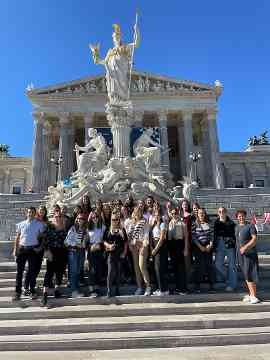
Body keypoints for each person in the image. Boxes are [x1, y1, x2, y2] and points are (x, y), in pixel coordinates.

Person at [90, 22, 140, 104]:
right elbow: (104, 62)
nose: (116, 38)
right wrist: (96, 55)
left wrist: (136, 31)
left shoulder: (125, 47)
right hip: (113, 74)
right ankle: (115, 100)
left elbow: (136, 44)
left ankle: (123, 101)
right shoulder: (110, 51)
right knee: (114, 90)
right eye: (115, 37)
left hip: (122, 72)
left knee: (123, 85)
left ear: (120, 38)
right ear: (113, 39)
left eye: (117, 36)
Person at [12, 207, 46, 301]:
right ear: (26, 213)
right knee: (19, 272)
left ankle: (32, 291)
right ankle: (17, 292)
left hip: (32, 250)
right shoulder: (21, 224)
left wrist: (40, 247)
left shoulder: (39, 225)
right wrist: (15, 250)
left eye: (32, 212)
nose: (30, 213)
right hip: (22, 249)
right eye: (29, 212)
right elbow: (17, 238)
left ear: (35, 214)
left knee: (31, 272)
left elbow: (43, 237)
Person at [41, 211, 68, 306]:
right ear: (53, 217)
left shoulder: (64, 228)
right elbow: (44, 240)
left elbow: (67, 241)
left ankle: (57, 290)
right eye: (56, 216)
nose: (58, 218)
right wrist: (47, 251)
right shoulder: (49, 227)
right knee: (49, 272)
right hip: (52, 251)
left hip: (62, 252)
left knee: (59, 271)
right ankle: (45, 293)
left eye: (60, 216)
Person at [235, 209, 260, 304]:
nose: (241, 218)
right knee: (246, 274)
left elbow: (254, 239)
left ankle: (254, 296)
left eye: (242, 216)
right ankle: (250, 294)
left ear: (245, 216)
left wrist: (245, 247)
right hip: (241, 255)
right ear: (237, 217)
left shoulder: (250, 226)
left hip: (250, 254)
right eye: (239, 216)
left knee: (250, 273)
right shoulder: (237, 227)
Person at [24, 205, 48, 296]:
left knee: (37, 268)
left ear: (45, 212)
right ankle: (27, 287)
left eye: (43, 210)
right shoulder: (35, 220)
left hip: (41, 247)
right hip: (33, 246)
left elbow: (45, 236)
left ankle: (31, 286)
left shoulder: (46, 222)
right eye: (40, 210)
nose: (42, 212)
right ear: (38, 211)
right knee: (31, 268)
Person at [126, 207, 151, 296]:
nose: (137, 213)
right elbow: (128, 235)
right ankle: (140, 287)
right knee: (136, 267)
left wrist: (143, 245)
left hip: (142, 246)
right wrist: (130, 245)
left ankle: (148, 287)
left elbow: (146, 234)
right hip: (133, 247)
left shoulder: (145, 221)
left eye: (139, 212)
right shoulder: (130, 222)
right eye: (136, 212)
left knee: (142, 266)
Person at [65, 215, 89, 297]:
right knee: (73, 271)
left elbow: (85, 242)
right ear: (76, 219)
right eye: (78, 218)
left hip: (81, 251)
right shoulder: (72, 228)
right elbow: (67, 241)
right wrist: (76, 244)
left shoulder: (85, 230)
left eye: (82, 218)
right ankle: (74, 291)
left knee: (78, 270)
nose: (80, 220)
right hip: (73, 251)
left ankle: (76, 289)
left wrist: (83, 243)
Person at [103, 215, 128, 297]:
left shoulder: (122, 229)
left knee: (118, 272)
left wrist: (124, 252)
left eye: (116, 219)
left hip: (119, 253)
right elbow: (104, 241)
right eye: (113, 219)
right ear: (111, 220)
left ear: (118, 220)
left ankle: (117, 289)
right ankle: (109, 290)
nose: (115, 221)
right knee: (110, 272)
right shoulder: (108, 229)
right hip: (111, 253)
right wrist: (109, 246)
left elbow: (125, 242)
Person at [214, 207, 237, 291]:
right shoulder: (216, 223)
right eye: (220, 211)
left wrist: (232, 242)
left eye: (223, 211)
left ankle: (232, 284)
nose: (221, 213)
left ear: (226, 212)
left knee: (232, 265)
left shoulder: (231, 223)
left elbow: (235, 234)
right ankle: (226, 277)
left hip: (229, 245)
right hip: (219, 244)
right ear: (218, 213)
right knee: (217, 264)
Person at [192, 208, 215, 293]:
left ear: (205, 214)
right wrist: (200, 246)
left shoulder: (209, 224)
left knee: (209, 265)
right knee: (199, 266)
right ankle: (197, 285)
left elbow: (212, 235)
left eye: (203, 213)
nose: (201, 214)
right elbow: (193, 236)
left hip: (208, 246)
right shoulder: (194, 224)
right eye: (199, 213)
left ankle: (211, 285)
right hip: (198, 247)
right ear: (197, 214)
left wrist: (210, 245)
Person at [168, 209, 189, 294]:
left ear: (178, 213)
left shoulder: (182, 223)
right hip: (172, 245)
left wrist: (186, 248)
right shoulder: (170, 223)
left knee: (181, 267)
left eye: (175, 213)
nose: (174, 215)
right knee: (175, 267)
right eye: (172, 213)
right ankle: (177, 287)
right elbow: (169, 237)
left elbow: (186, 237)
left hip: (180, 244)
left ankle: (183, 288)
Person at [87, 211, 106, 296]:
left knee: (98, 269)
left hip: (99, 249)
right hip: (91, 249)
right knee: (92, 270)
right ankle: (91, 289)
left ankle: (97, 287)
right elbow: (86, 241)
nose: (95, 219)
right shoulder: (88, 228)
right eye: (93, 217)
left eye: (96, 217)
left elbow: (104, 239)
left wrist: (99, 244)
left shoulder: (103, 227)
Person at [150, 210, 169, 296]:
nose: (157, 216)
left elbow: (161, 238)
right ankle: (161, 289)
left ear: (161, 216)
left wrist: (155, 249)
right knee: (157, 268)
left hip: (160, 248)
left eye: (158, 215)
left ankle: (163, 290)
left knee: (159, 268)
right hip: (155, 246)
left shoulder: (163, 224)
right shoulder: (154, 225)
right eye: (155, 215)